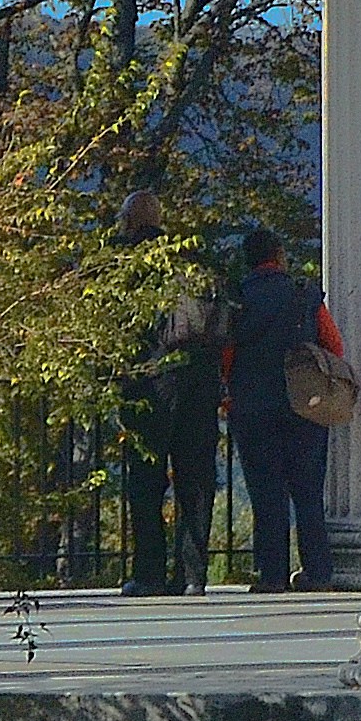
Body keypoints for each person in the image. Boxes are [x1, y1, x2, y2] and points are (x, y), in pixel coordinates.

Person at [111, 192, 228, 594]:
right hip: (199, 381)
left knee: (146, 478)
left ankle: (149, 573)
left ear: (129, 222)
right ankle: (193, 575)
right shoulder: (189, 262)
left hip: (149, 383)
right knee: (196, 479)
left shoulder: (123, 263)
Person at [219, 226, 344, 595]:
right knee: (307, 490)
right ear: (280, 256)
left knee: (266, 491)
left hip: (253, 406)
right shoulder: (304, 295)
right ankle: (317, 571)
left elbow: (226, 353)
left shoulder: (237, 299)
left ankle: (272, 573)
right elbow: (333, 345)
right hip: (304, 403)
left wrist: (232, 390)